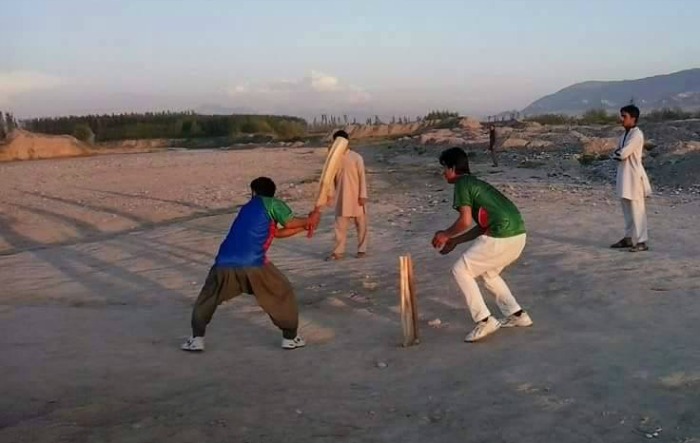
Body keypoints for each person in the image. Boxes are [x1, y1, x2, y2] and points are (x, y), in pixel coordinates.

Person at [181, 177, 314, 352]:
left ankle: (196, 339)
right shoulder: (272, 203)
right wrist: (309, 220)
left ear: (254, 192)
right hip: (254, 264)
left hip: (223, 263)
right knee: (282, 292)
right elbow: (289, 222)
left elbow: (277, 233)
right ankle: (290, 338)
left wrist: (305, 225)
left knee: (207, 299)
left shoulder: (247, 209)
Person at [432, 147, 532, 342]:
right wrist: (455, 240)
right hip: (518, 235)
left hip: (502, 235)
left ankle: (485, 320)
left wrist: (444, 234)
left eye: (444, 168)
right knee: (489, 273)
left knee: (460, 270)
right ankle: (517, 315)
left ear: (452, 168)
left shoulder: (462, 183)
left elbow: (465, 220)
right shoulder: (474, 183)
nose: (443, 173)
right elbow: (482, 226)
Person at [610, 104, 652, 252]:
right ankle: (628, 238)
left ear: (633, 118)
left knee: (637, 210)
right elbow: (617, 153)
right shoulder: (624, 135)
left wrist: (617, 153)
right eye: (621, 116)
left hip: (634, 177)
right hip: (624, 176)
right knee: (627, 210)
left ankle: (642, 240)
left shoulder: (636, 135)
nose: (621, 119)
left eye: (624, 116)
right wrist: (617, 153)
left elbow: (622, 154)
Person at [325, 130, 369, 260]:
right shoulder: (333, 159)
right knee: (340, 227)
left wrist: (363, 195)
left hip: (356, 197)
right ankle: (338, 252)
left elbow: (362, 177)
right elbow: (330, 178)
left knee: (361, 225)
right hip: (341, 197)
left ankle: (362, 250)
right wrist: (329, 194)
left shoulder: (356, 157)